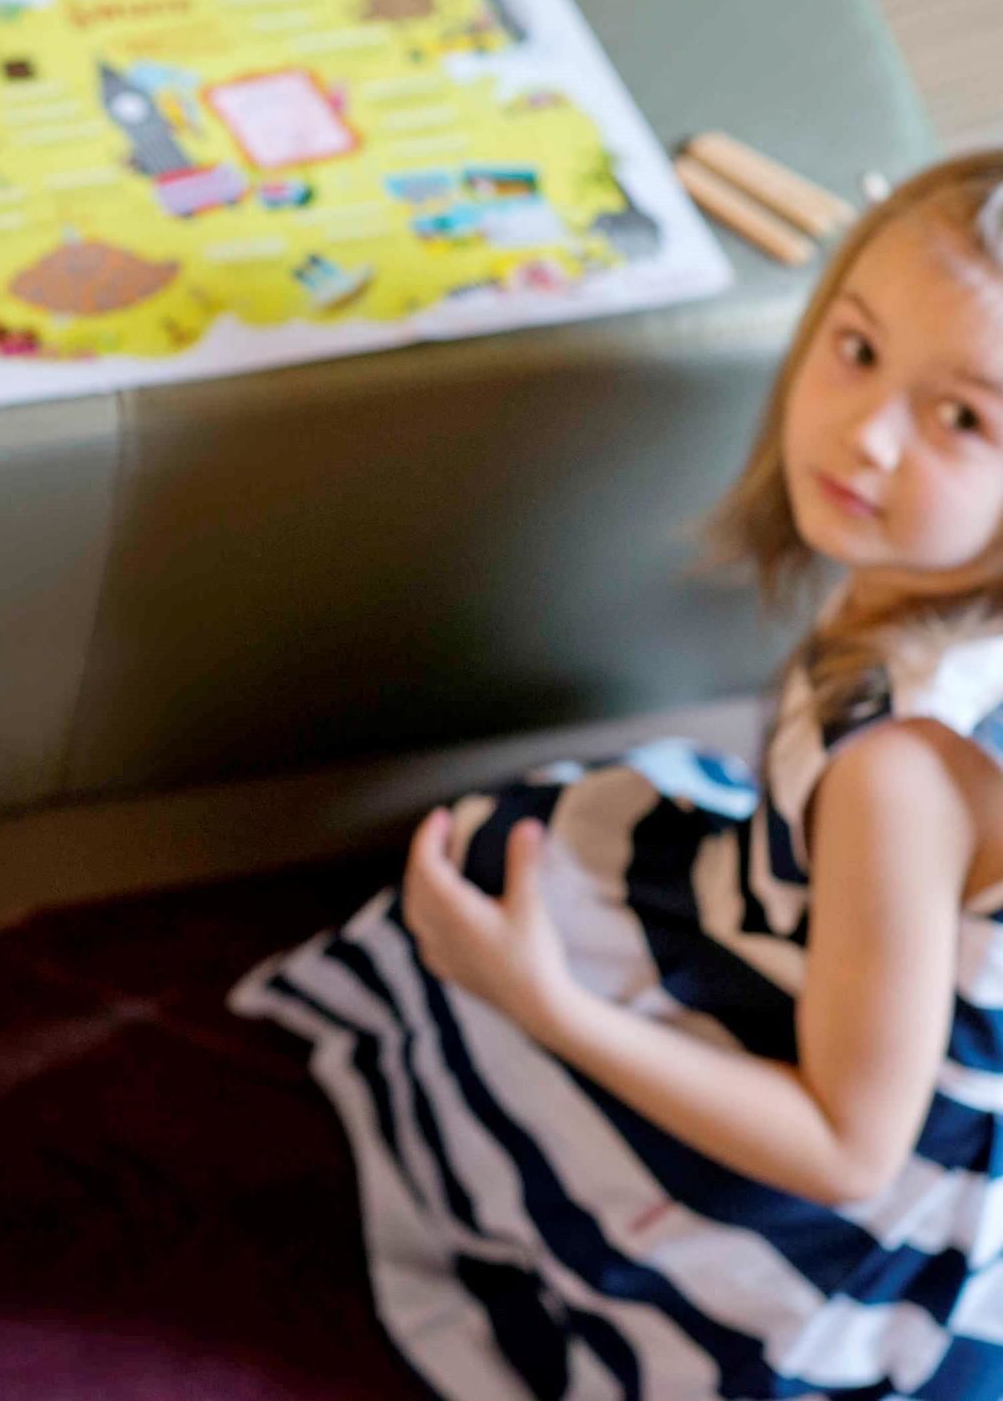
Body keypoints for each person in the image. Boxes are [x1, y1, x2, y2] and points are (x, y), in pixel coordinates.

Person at [235, 152, 1003, 1399]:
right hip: (816, 950)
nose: (865, 435)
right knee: (540, 832)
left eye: (961, 418)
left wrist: (544, 1002)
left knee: (502, 927)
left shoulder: (899, 767)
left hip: (854, 1197)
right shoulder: (929, 638)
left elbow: (844, 1150)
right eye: (857, 349)